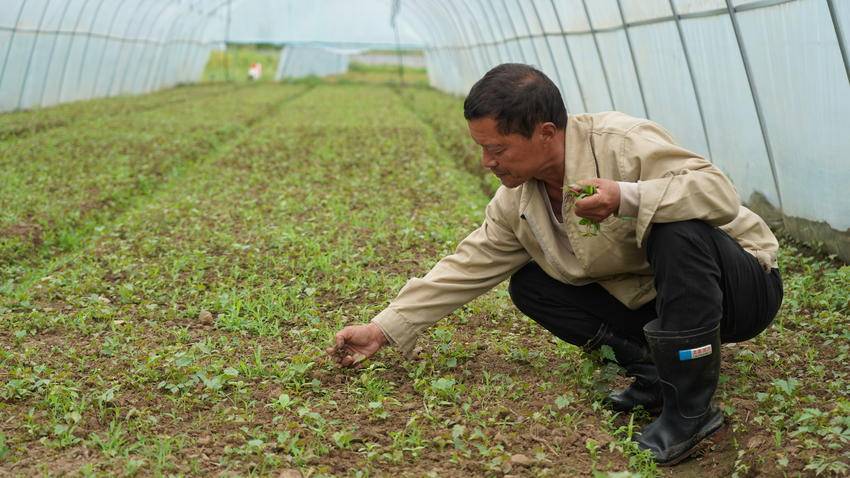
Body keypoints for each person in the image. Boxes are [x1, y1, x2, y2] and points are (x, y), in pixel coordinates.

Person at [326, 63, 783, 466]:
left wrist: (627, 196)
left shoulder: (621, 142)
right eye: (481, 148)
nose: (487, 162)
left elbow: (718, 193)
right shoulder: (517, 202)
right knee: (529, 285)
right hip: (657, 298)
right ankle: (654, 373)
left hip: (739, 288)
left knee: (677, 228)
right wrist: (383, 329)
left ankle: (691, 411)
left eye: (498, 148)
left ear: (545, 132)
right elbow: (466, 265)